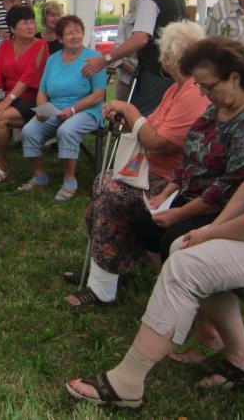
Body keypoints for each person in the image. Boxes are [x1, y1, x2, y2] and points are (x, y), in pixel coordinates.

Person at [66, 39, 244, 410]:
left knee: (187, 262)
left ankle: (128, 381)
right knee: (192, 250)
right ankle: (242, 355)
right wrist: (209, 232)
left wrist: (210, 231)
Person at [66, 20, 209, 307]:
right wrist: (128, 119)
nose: (160, 58)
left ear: (171, 57)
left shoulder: (193, 93)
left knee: (110, 191)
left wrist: (130, 110)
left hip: (172, 183)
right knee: (106, 187)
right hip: (152, 172)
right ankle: (110, 268)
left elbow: (158, 141)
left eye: (163, 53)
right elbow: (149, 127)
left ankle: (104, 285)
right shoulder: (176, 89)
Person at [132, 37, 244, 262]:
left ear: (234, 78)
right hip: (191, 197)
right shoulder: (214, 109)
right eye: (199, 85)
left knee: (172, 239)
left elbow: (229, 185)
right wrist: (166, 193)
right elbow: (189, 157)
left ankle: (178, 284)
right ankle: (167, 281)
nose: (202, 93)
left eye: (207, 86)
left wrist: (180, 213)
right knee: (144, 225)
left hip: (221, 210)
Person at [83, 0, 186, 116]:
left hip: (154, 71)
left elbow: (140, 38)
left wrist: (105, 60)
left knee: (140, 119)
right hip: (174, 71)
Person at [18, 15, 107, 200]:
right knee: (29, 131)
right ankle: (39, 177)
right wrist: (42, 110)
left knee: (66, 131)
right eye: (69, 33)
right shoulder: (52, 59)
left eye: (78, 31)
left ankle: (69, 180)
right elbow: (42, 90)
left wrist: (73, 109)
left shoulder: (94, 58)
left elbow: (99, 94)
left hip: (86, 110)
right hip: (55, 109)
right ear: (60, 39)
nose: (75, 36)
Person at [0, 5, 48, 184]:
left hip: (34, 99)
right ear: (13, 28)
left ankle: (3, 164)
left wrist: (2, 104)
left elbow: (26, 80)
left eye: (32, 22)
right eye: (25, 23)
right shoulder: (6, 44)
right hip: (12, 99)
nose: (31, 26)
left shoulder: (41, 45)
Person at [112, 0, 139, 103]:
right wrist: (136, 73)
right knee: (119, 114)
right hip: (126, 79)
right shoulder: (125, 21)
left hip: (149, 81)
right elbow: (118, 53)